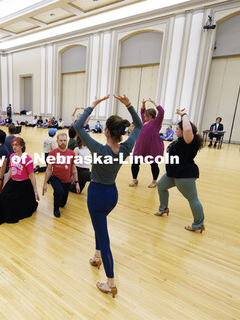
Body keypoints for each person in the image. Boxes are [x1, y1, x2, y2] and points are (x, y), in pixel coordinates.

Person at [74, 94, 142, 298]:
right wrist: (129, 105)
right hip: (112, 194)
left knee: (104, 238)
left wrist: (92, 105)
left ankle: (111, 283)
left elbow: (78, 127)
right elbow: (138, 126)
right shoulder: (126, 148)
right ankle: (96, 257)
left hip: (96, 195)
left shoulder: (99, 149)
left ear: (106, 131)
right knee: (99, 225)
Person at [155, 108, 206, 234]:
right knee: (161, 185)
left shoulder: (188, 141)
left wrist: (183, 115)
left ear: (184, 131)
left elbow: (188, 130)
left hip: (184, 175)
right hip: (173, 173)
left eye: (178, 129)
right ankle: (163, 208)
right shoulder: (180, 140)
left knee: (192, 199)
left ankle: (198, 224)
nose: (175, 130)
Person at [0, 137, 39, 225]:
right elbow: (10, 170)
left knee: (16, 201)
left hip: (23, 185)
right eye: (13, 145)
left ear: (21, 146)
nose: (14, 147)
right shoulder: (12, 156)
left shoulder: (28, 159)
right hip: (12, 183)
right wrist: (5, 184)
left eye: (16, 145)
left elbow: (32, 175)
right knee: (2, 196)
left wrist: (35, 191)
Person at [129, 98, 164, 188]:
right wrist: (143, 103)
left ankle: (154, 181)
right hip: (141, 146)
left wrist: (153, 102)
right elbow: (142, 111)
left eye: (146, 115)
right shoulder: (144, 122)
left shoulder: (156, 122)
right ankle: (134, 179)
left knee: (153, 164)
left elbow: (161, 111)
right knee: (135, 162)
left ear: (150, 115)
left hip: (153, 146)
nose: (144, 116)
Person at [42, 132, 79, 218]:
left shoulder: (71, 153)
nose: (63, 142)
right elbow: (48, 169)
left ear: (67, 141)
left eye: (65, 140)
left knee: (62, 204)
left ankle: (59, 199)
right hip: (55, 178)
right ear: (57, 141)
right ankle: (55, 209)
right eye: (61, 140)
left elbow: (74, 168)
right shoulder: (52, 153)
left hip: (67, 180)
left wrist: (76, 182)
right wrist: (45, 184)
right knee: (59, 191)